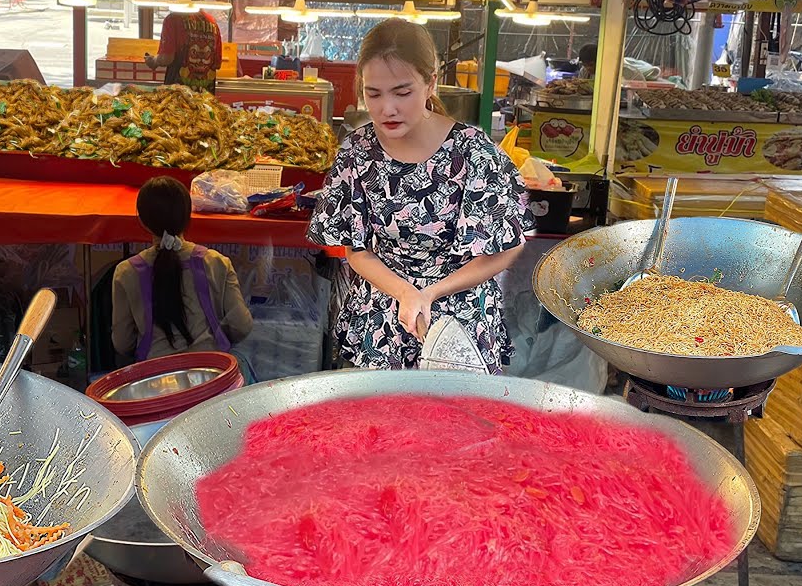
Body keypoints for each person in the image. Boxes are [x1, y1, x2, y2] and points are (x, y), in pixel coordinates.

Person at [307, 19, 534, 374]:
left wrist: (430, 293)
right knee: (382, 424)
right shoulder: (357, 153)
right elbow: (356, 250)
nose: (386, 109)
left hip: (461, 321)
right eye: (373, 93)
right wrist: (405, 293)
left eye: (402, 92)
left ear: (430, 83)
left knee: (459, 423)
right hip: (383, 318)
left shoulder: (473, 152)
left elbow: (507, 247)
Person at [112, 177, 252, 364]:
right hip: (212, 372)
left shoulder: (126, 272)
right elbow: (241, 325)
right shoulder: (216, 262)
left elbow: (122, 343)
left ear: (143, 222)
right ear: (189, 216)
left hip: (154, 380)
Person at [143, 9, 223, 93]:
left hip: (177, 97)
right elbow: (217, 64)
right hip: (206, 98)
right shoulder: (212, 22)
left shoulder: (173, 19)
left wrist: (154, 61)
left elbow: (166, 59)